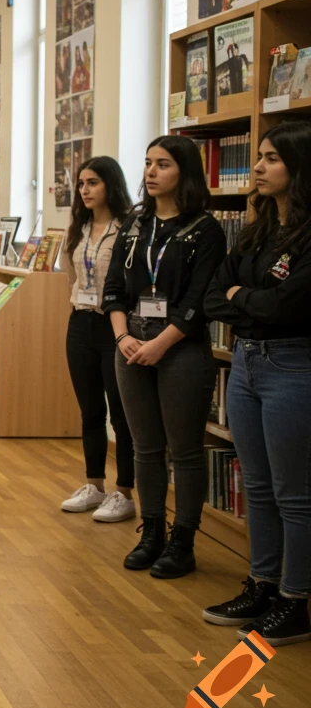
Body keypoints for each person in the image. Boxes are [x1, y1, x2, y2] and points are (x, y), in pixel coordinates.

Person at [203, 122, 311, 646]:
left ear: (300, 167)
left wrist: (242, 295)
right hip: (245, 364)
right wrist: (251, 298)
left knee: (295, 494)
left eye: (272, 158)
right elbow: (214, 295)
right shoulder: (257, 229)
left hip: (294, 366)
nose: (260, 167)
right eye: (260, 156)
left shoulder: (309, 235)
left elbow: (289, 306)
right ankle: (263, 584)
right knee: (260, 487)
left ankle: (295, 600)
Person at [103, 136, 226, 579]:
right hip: (130, 346)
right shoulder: (135, 224)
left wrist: (160, 343)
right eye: (148, 163)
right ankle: (151, 530)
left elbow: (198, 301)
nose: (151, 172)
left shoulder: (205, 229)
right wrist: (123, 339)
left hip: (180, 350)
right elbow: (114, 288)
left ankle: (183, 541)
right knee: (144, 447)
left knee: (186, 451)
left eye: (164, 165)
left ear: (185, 172)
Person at [60, 157, 136, 523]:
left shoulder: (129, 227)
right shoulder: (77, 227)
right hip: (80, 324)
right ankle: (94, 485)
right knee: (91, 411)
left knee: (121, 415)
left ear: (110, 185)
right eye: (81, 184)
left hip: (115, 327)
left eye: (92, 183)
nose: (85, 190)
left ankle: (124, 491)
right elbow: (69, 272)